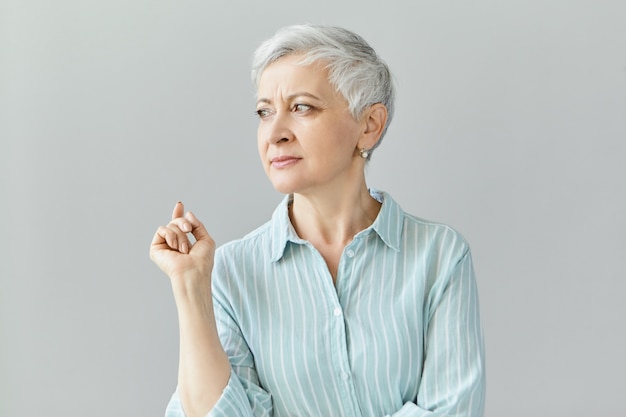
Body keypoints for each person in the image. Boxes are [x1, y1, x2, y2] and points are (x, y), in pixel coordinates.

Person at [150, 24, 485, 417]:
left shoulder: (440, 256)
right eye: (264, 112)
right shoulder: (232, 272)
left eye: (302, 107)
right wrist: (191, 289)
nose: (274, 133)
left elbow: (451, 410)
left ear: (369, 125)